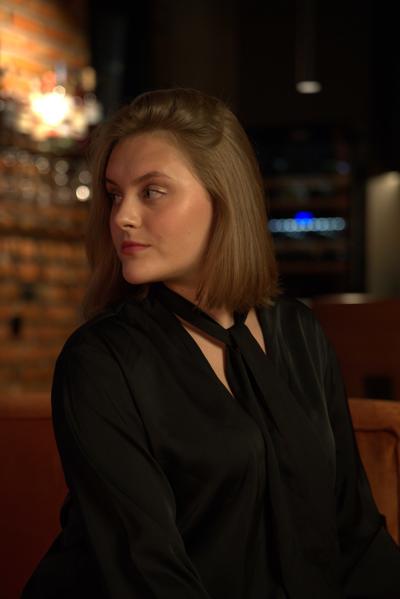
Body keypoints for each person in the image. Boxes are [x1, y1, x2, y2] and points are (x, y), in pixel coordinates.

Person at [22, 87, 400, 599]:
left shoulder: (299, 333)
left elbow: (356, 532)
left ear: (223, 199)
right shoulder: (100, 361)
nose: (121, 217)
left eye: (151, 192)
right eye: (114, 194)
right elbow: (146, 573)